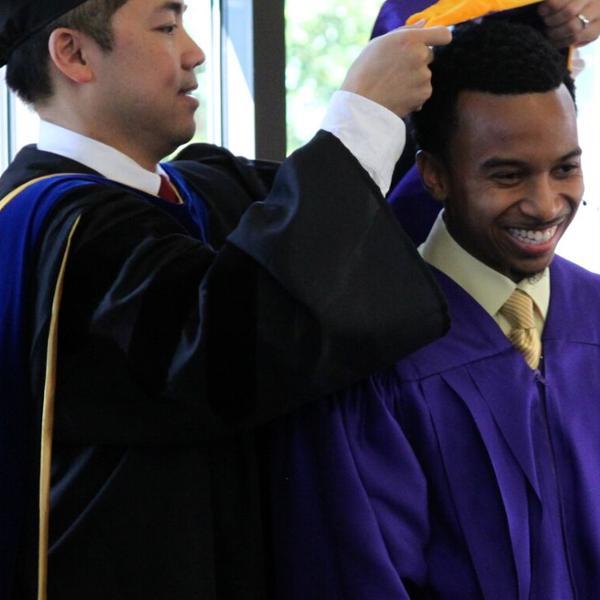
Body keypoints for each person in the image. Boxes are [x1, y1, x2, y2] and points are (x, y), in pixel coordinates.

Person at [0, 1, 453, 598]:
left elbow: (372, 212)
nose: (196, 52)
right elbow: (234, 343)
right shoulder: (56, 230)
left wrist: (505, 28)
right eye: (166, 27)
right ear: (74, 54)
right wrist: (359, 116)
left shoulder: (199, 191)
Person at [271, 19, 600, 599]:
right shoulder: (373, 359)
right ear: (435, 176)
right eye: (507, 175)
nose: (546, 203)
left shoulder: (594, 316)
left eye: (565, 168)